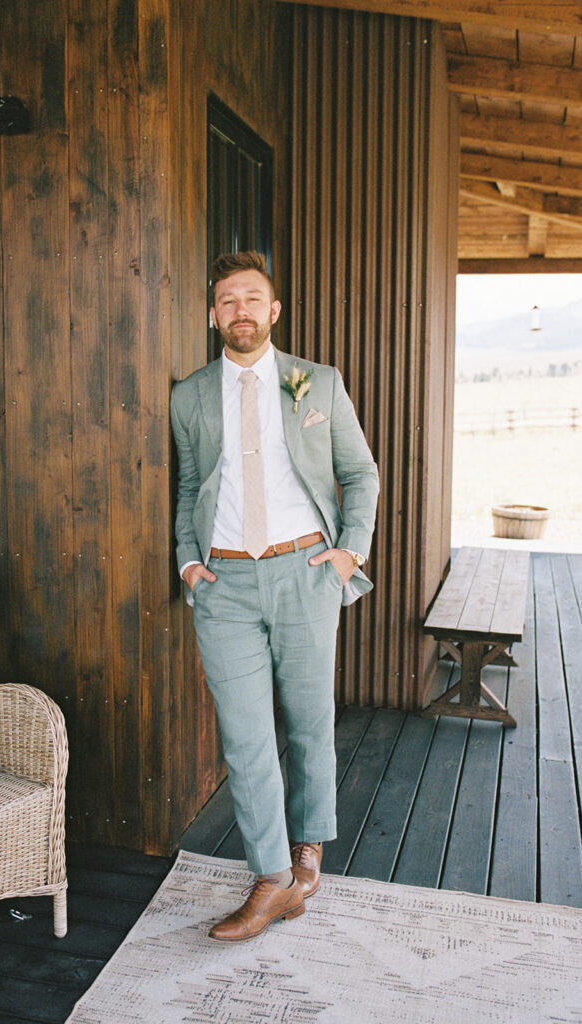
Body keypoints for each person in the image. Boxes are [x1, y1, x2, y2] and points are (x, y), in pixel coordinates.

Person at [170, 251, 379, 942]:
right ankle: (271, 880)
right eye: (227, 299)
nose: (240, 310)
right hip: (223, 583)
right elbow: (189, 486)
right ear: (212, 315)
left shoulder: (315, 383)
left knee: (307, 718)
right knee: (245, 735)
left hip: (304, 574)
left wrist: (349, 551)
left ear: (273, 310)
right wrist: (187, 563)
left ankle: (308, 844)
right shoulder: (189, 394)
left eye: (252, 298)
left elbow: (360, 472)